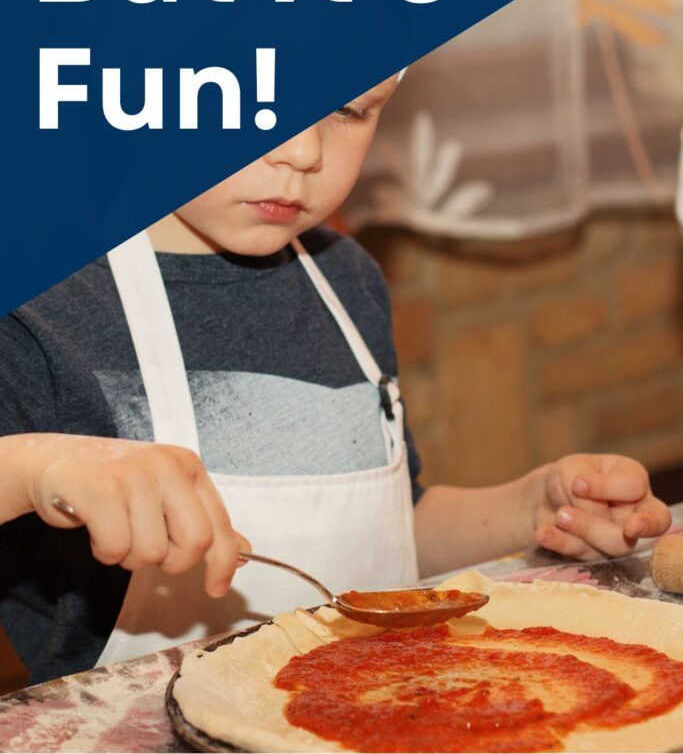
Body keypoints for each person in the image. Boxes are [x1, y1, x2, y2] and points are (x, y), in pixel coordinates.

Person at [0, 74, 671, 685]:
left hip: (382, 703)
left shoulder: (344, 278)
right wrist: (34, 469)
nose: (300, 152)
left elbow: (391, 534)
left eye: (350, 108)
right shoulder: (38, 301)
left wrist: (531, 510)